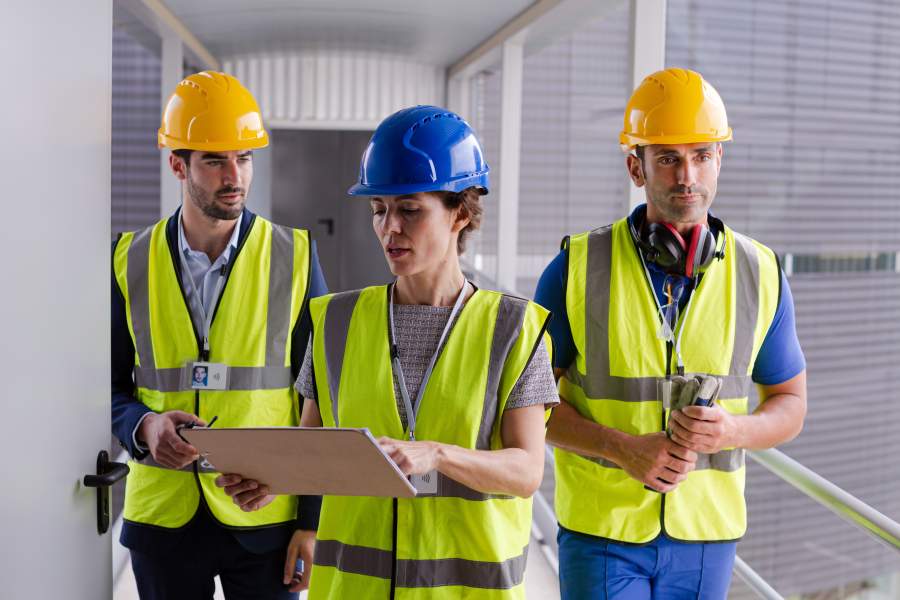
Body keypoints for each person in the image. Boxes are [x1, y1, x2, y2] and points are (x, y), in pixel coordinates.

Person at [227, 105, 559, 599]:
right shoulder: (335, 322)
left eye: (410, 210)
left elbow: (526, 472)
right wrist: (275, 478)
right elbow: (312, 445)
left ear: (460, 212)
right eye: (379, 210)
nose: (389, 229)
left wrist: (438, 454)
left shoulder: (514, 328)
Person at [535, 68, 808, 599]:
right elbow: (523, 403)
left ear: (719, 160)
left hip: (709, 536)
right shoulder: (575, 268)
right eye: (668, 158)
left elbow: (790, 402)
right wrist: (620, 448)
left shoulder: (761, 272)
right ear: (636, 166)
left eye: (702, 155)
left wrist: (733, 432)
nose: (688, 175)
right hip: (602, 531)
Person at [111, 71, 328, 599]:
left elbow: (323, 389)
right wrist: (143, 427)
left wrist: (313, 520)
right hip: (163, 515)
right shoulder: (127, 258)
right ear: (177, 164)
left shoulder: (294, 256)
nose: (235, 176)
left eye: (244, 158)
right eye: (215, 160)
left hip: (264, 513)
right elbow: (103, 384)